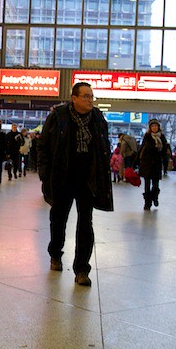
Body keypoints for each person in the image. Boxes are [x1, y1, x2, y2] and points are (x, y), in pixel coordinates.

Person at [38, 82, 113, 287]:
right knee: (58, 219)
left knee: (85, 223)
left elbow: (104, 146)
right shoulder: (59, 116)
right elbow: (43, 145)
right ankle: (55, 254)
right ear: (74, 98)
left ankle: (81, 269)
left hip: (87, 179)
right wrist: (44, 173)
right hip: (62, 177)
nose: (90, 100)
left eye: (91, 96)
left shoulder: (97, 118)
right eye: (86, 96)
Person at [138, 119, 170, 210]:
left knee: (156, 185)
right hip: (147, 164)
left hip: (157, 164)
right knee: (147, 185)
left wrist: (165, 164)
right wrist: (136, 163)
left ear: (158, 127)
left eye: (156, 126)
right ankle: (147, 203)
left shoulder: (162, 137)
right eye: (152, 126)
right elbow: (142, 149)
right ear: (150, 128)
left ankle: (154, 197)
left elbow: (164, 152)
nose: (154, 127)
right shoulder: (147, 137)